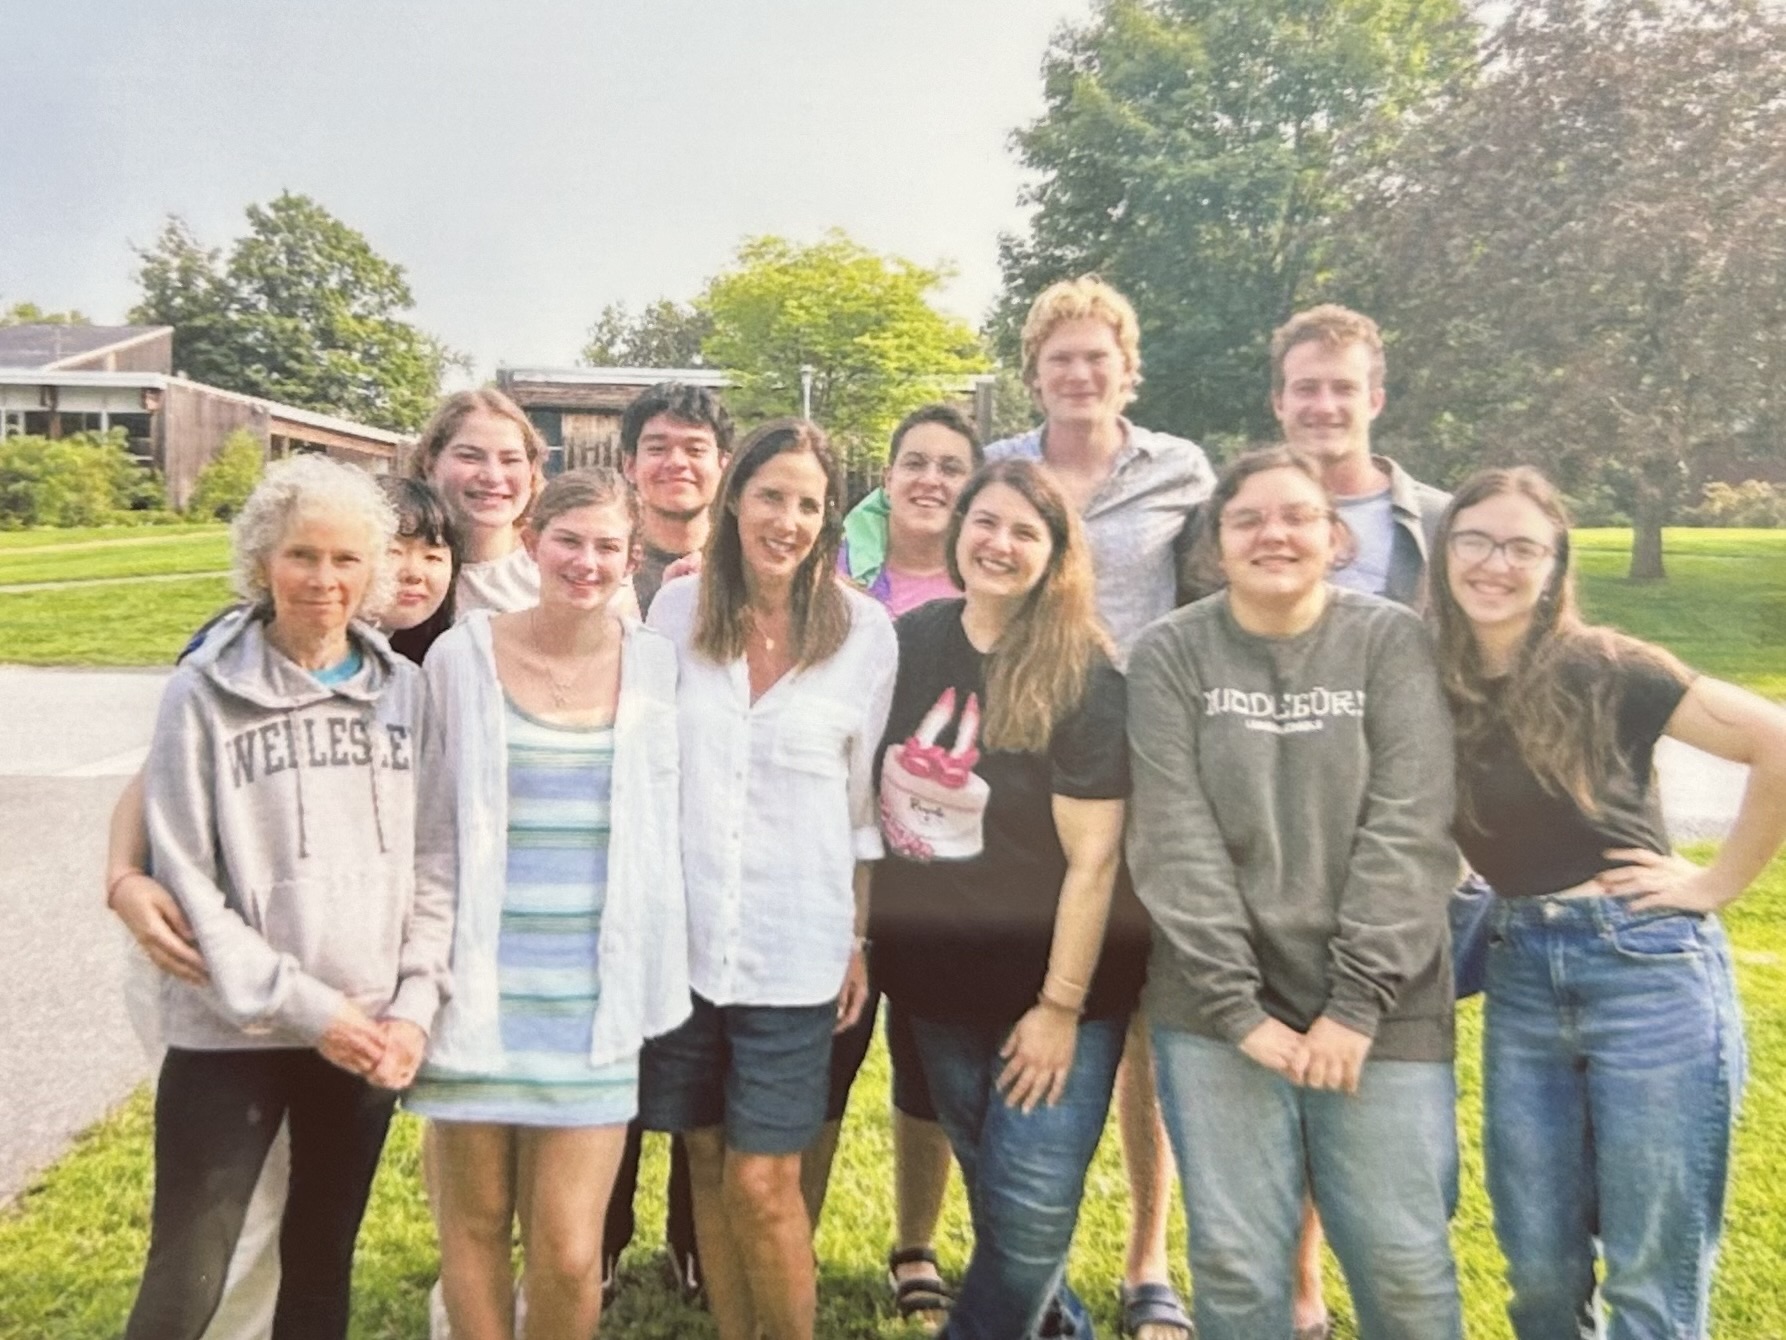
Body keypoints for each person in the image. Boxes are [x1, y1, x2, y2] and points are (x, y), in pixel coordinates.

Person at [104, 472, 463, 1340]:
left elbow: (436, 860)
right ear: (263, 561)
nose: (323, 578)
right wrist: (308, 1009)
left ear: (374, 570)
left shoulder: (405, 694)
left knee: (321, 1256)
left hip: (370, 1025)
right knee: (191, 1267)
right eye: (302, 555)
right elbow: (188, 876)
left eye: (347, 558)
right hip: (232, 1027)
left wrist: (414, 1007)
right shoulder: (202, 691)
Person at [1431, 466, 1786, 1340]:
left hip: (1646, 972)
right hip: (1520, 971)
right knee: (1540, 1271)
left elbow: (1775, 739)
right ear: (1444, 553)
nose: (1496, 563)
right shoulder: (1427, 676)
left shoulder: (1608, 665)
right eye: (1475, 540)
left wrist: (1715, 884)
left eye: (1523, 547)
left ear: (1554, 568)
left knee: (1650, 1274)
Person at [1127, 447, 1463, 1340]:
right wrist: (1242, 1015)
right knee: (1238, 1271)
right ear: (1215, 542)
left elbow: (1413, 826)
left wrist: (1354, 1007)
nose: (1273, 534)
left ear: (1336, 537)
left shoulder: (1393, 642)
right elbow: (1173, 838)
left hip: (1387, 1009)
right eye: (1247, 519)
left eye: (1298, 517)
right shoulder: (1170, 653)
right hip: (1216, 1014)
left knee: (1403, 1265)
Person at [408, 467, 691, 1340]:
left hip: (593, 1002)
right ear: (532, 544)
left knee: (570, 1253)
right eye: (569, 541)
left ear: (632, 560)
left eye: (609, 547)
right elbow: (426, 816)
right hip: (478, 994)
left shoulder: (656, 665)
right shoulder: (463, 654)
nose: (587, 561)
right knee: (476, 1228)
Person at [871, 458, 1146, 1340]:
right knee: (997, 1189)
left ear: (1056, 554)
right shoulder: (908, 646)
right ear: (957, 533)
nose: (1000, 544)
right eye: (985, 522)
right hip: (935, 979)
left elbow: (1094, 863)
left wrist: (1059, 1008)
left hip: (1062, 987)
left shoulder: (1085, 676)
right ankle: (1058, 1326)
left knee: (1026, 1215)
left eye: (1026, 532)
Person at [985, 275, 1212, 1340]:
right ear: (1033, 371)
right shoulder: (1005, 471)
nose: (1078, 373)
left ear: (1128, 366)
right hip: (1024, 773)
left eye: (1097, 356)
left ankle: (1146, 1259)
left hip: (1149, 766)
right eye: (1058, 358)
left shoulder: (1180, 472)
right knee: (1026, 1001)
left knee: (1140, 1028)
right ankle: (1031, 1265)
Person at [642, 418, 896, 1340]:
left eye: (808, 503)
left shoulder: (865, 634)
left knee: (766, 1176)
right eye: (771, 496)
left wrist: (857, 941)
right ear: (735, 499)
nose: (787, 519)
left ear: (828, 519)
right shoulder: (673, 614)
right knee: (706, 1157)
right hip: (686, 944)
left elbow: (863, 807)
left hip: (799, 948)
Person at [1265, 302, 1455, 1339]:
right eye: (1306, 386)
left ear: (1374, 396)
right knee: (1283, 1068)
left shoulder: (1437, 522)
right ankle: (1298, 1284)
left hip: (1392, 840)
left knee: (1386, 1079)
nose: (1325, 403)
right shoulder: (1241, 512)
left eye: (1343, 386)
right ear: (1279, 402)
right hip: (1275, 842)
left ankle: (1386, 1270)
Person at [823, 402, 981, 1330]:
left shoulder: (990, 583)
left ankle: (915, 1243)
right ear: (887, 477)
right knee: (827, 1059)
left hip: (938, 873)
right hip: (836, 856)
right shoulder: (839, 579)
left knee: (927, 1068)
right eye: (913, 461)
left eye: (950, 466)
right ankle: (785, 1238)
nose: (929, 479)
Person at [602, 380, 734, 1306]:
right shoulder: (596, 565)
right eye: (658, 445)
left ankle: (693, 1239)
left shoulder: (748, 570)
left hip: (709, 863)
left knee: (704, 1056)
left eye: (694, 446)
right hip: (608, 857)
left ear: (720, 467)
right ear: (630, 463)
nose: (676, 461)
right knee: (612, 1056)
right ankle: (598, 1242)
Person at [410, 388, 547, 616]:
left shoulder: (560, 567)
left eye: (510, 460)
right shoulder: (395, 569)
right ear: (430, 463)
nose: (493, 476)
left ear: (532, 471)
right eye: (470, 457)